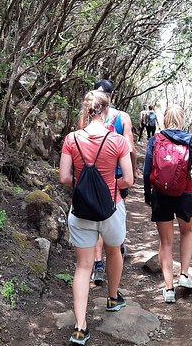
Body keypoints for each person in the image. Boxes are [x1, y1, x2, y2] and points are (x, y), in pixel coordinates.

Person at [60, 90, 134, 344]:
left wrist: (83, 187)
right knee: (114, 251)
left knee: (83, 266)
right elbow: (129, 179)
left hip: (80, 210)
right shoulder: (117, 141)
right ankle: (112, 298)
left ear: (86, 110)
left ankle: (80, 327)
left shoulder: (72, 139)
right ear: (106, 111)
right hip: (111, 207)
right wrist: (111, 186)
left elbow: (65, 178)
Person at [142, 104, 192, 304]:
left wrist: (148, 195)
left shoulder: (154, 140)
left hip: (161, 195)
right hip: (185, 193)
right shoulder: (191, 140)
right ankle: (184, 274)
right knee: (187, 232)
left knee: (165, 242)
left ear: (165, 120)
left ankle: (168, 289)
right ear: (182, 120)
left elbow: (147, 172)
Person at [83, 79, 136, 284]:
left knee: (96, 218)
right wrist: (134, 170)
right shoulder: (122, 117)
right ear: (111, 95)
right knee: (113, 215)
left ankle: (98, 263)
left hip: (91, 177)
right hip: (116, 177)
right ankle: (115, 251)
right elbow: (130, 147)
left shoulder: (88, 117)